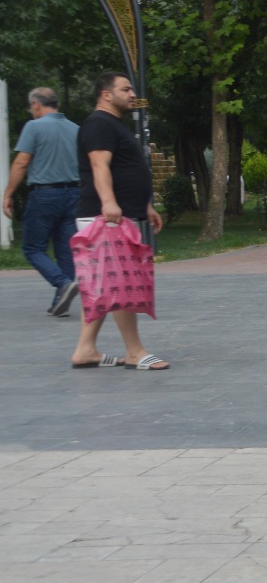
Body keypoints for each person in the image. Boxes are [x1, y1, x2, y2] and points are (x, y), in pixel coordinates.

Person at [70, 71, 167, 369]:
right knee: (120, 282)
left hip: (119, 214)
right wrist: (109, 203)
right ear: (106, 94)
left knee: (105, 283)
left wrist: (145, 205)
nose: (132, 94)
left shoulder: (112, 125)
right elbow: (100, 166)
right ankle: (134, 351)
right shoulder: (99, 124)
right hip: (106, 216)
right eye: (125, 89)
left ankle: (85, 350)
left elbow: (126, 169)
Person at [4, 87, 81, 316]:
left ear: (37, 104)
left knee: (32, 248)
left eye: (31, 107)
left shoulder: (34, 127)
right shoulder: (76, 129)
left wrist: (8, 194)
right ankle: (61, 301)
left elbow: (21, 162)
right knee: (65, 250)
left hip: (45, 195)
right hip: (74, 195)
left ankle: (62, 284)